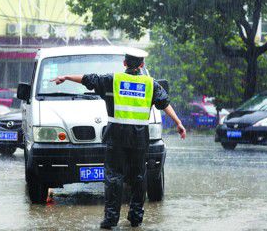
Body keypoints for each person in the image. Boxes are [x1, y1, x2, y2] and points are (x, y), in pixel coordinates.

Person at [51, 50, 186, 229]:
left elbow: (88, 79)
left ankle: (111, 219)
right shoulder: (150, 84)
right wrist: (178, 123)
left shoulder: (112, 80)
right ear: (142, 65)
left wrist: (66, 76)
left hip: (116, 136)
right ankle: (136, 217)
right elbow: (165, 104)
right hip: (139, 137)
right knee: (139, 176)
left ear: (124, 63)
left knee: (114, 177)